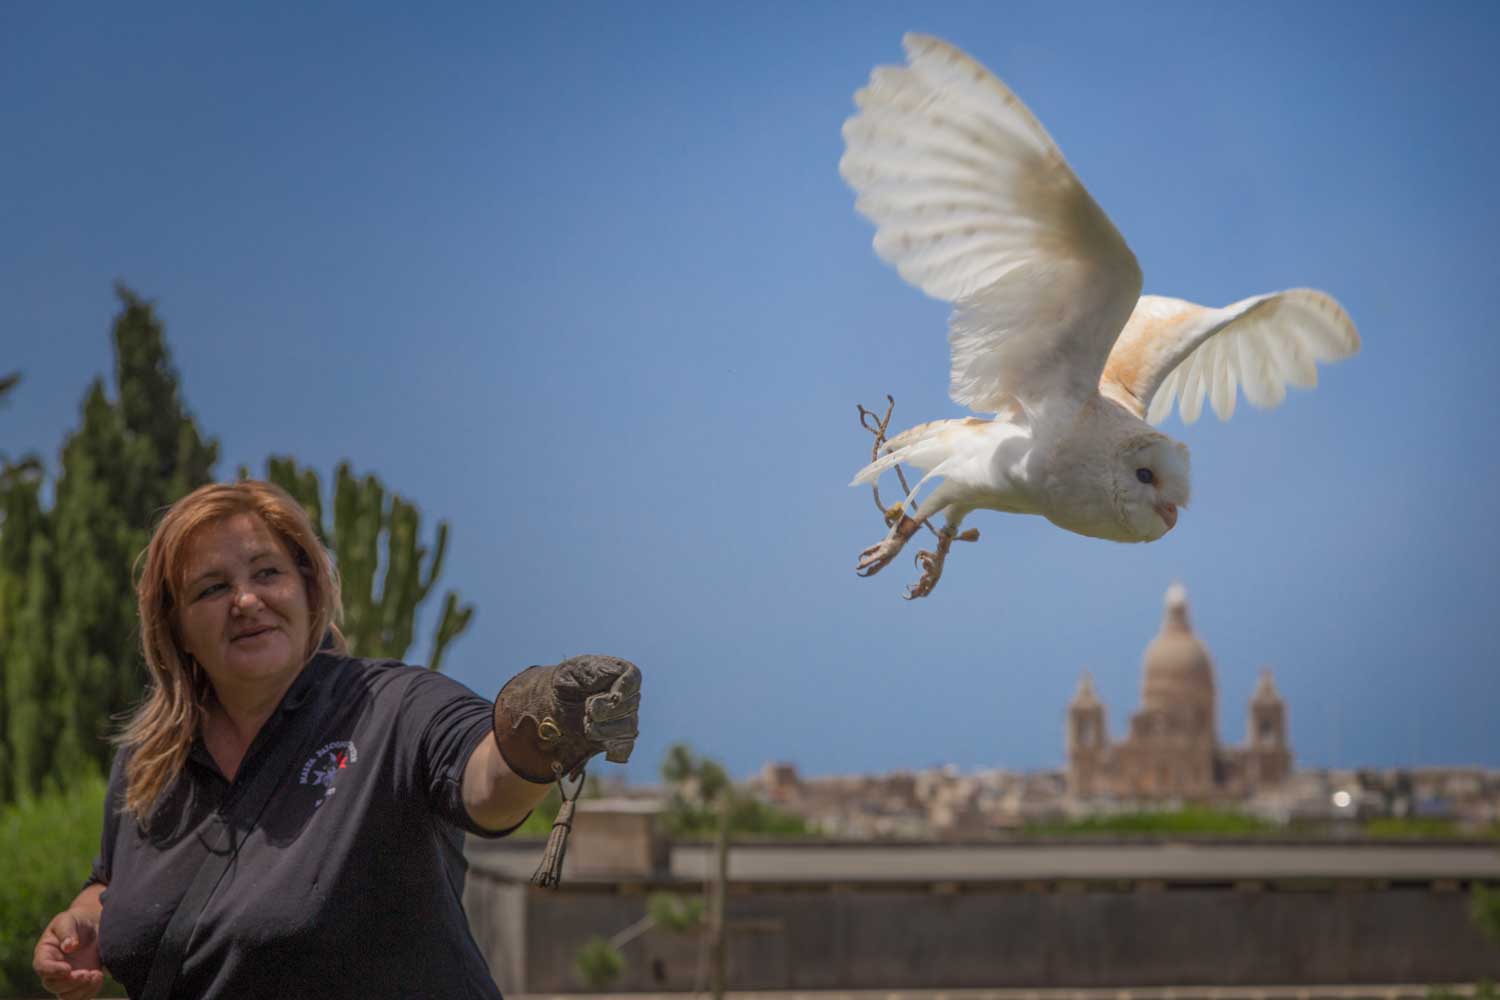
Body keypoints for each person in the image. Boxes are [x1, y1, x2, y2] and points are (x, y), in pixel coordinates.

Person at [31, 481, 641, 999]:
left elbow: (488, 785)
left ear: (308, 589)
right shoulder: (149, 759)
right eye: (211, 588)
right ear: (177, 628)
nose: (246, 601)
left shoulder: (393, 706)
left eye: (267, 572)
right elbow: (111, 881)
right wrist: (84, 922)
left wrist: (534, 724)